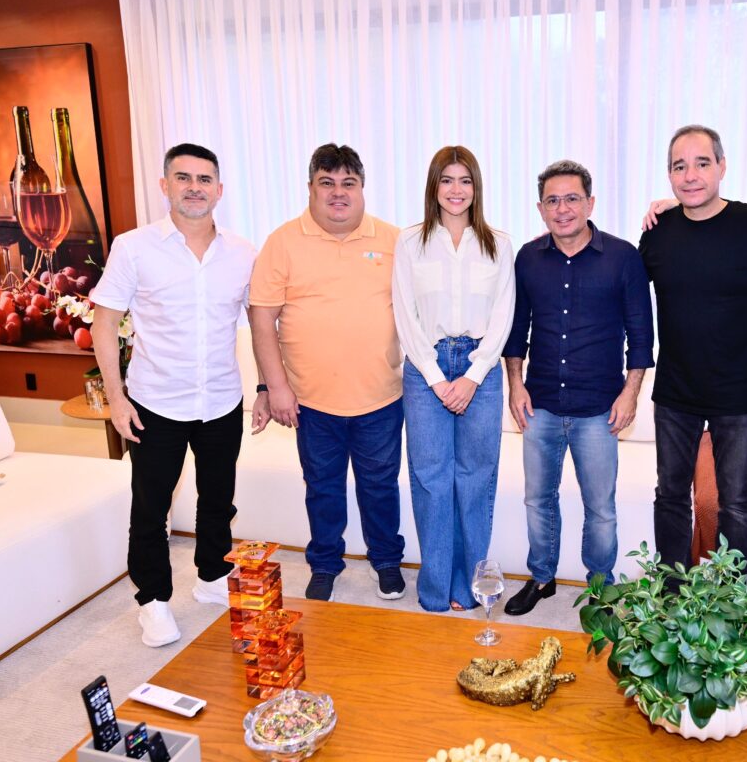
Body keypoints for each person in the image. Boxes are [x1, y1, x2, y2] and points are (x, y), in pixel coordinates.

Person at [91, 143, 265, 648]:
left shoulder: (242, 252)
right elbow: (104, 325)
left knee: (218, 500)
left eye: (204, 179)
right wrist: (116, 398)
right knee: (150, 509)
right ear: (165, 185)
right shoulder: (133, 247)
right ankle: (153, 601)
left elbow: (260, 325)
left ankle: (213, 576)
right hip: (155, 403)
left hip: (221, 400)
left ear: (219, 190)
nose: (194, 187)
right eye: (183, 178)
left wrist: (263, 387)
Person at [249, 143, 406, 603]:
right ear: (311, 188)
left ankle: (386, 561)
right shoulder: (282, 242)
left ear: (362, 188)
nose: (338, 193)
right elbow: (262, 320)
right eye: (327, 183)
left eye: (348, 183)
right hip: (310, 401)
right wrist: (274, 387)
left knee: (380, 487)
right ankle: (324, 564)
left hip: (380, 397)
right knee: (322, 489)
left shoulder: (394, 240)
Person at [502, 160, 654, 616]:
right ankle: (542, 578)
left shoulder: (623, 257)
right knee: (537, 499)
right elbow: (516, 331)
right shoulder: (528, 258)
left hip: (599, 408)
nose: (562, 208)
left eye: (572, 198)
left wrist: (630, 394)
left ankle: (601, 588)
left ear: (590, 203)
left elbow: (641, 335)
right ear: (540, 209)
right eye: (552, 200)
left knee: (600, 507)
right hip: (540, 405)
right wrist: (515, 385)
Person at [638, 125, 747, 576]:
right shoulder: (658, 232)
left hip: (738, 392)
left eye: (702, 163)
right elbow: (628, 303)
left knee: (735, 499)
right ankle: (671, 592)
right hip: (675, 390)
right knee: (670, 495)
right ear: (669, 175)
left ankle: (729, 596)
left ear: (722, 166)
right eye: (679, 166)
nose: (691, 175)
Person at [392, 146, 516, 612]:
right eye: (447, 180)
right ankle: (435, 589)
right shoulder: (410, 242)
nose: (456, 189)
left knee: (475, 479)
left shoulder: (498, 243)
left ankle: (469, 587)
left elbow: (503, 315)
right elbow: (405, 315)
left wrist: (473, 375)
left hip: (479, 368)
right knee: (431, 479)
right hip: (426, 367)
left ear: (476, 187)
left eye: (465, 180)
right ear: (434, 186)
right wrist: (436, 378)